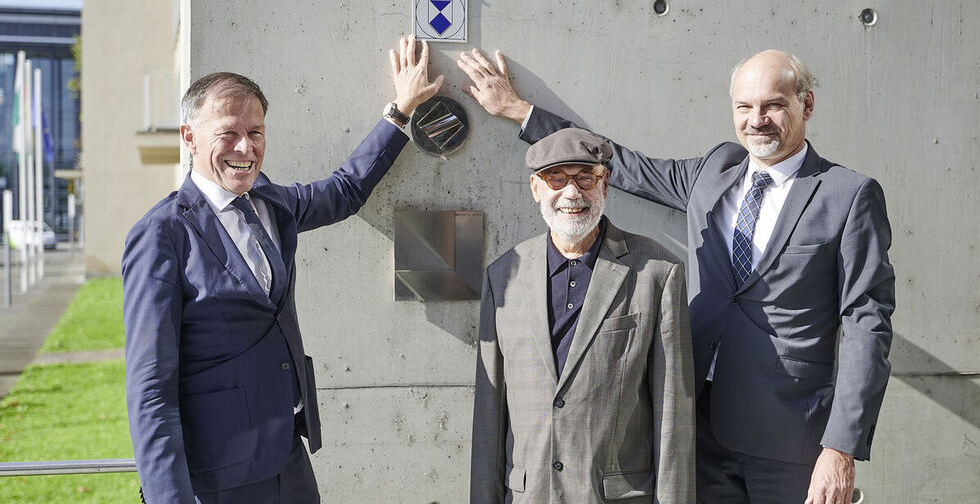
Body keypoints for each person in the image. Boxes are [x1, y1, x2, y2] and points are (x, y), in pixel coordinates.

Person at [459, 48, 894, 504]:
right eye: (744, 107)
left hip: (790, 440)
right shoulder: (715, 170)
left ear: (806, 104)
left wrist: (840, 446)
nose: (757, 119)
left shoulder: (848, 195)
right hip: (696, 432)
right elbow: (621, 166)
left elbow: (869, 324)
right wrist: (518, 111)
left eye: (774, 105)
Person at [123, 35, 443, 504]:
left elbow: (344, 191)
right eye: (228, 133)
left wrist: (400, 110)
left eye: (256, 132)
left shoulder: (270, 203)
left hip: (288, 457)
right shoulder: (162, 234)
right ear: (189, 137)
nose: (245, 147)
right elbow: (150, 388)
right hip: (218, 475)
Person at [470, 128, 696, 503]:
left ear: (604, 184)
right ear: (536, 188)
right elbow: (489, 418)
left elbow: (674, 419)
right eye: (556, 178)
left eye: (585, 178)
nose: (572, 193)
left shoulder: (657, 271)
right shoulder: (503, 275)